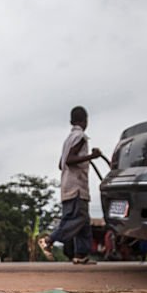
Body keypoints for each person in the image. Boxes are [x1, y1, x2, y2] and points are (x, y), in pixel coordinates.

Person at [39, 106, 103, 265]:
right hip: (77, 187)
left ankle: (81, 254)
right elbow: (69, 160)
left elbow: (61, 164)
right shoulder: (80, 137)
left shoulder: (68, 139)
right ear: (85, 121)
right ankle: (49, 240)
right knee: (77, 219)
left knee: (84, 223)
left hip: (68, 185)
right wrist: (92, 156)